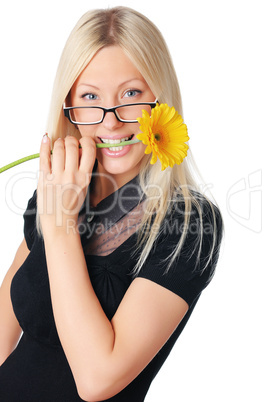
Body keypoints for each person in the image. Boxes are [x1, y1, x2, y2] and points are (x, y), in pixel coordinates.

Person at [0, 6, 223, 401]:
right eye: (90, 96)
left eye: (131, 93)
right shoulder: (57, 190)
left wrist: (61, 226)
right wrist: (57, 209)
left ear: (161, 98)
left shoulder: (192, 224)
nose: (111, 122)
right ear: (70, 105)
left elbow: (97, 380)